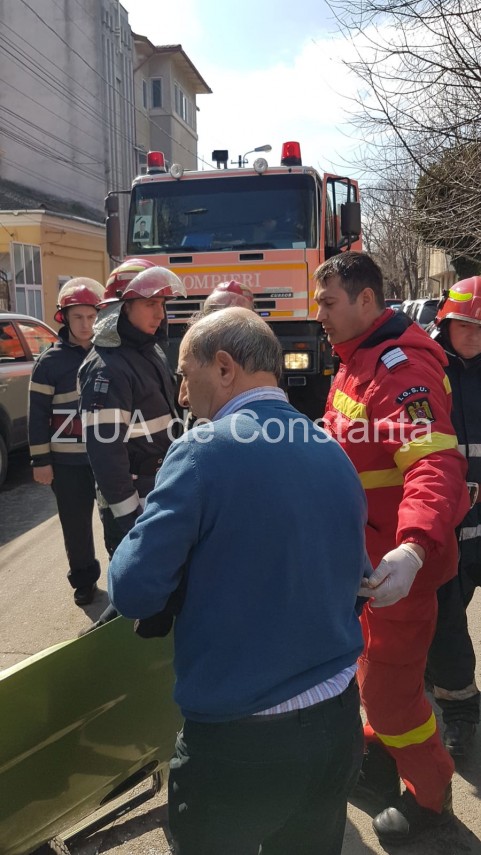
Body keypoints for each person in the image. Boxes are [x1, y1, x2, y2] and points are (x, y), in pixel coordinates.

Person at [108, 307, 370, 855]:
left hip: (240, 741)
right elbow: (355, 574)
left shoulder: (202, 453)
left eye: (185, 374)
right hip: (337, 722)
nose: (181, 395)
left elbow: (132, 588)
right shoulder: (332, 451)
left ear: (224, 368)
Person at [315, 251, 469, 843]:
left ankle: (430, 796)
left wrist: (412, 547)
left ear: (368, 301)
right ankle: (380, 751)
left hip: (396, 569)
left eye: (329, 303)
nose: (319, 314)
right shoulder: (357, 360)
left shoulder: (399, 368)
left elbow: (432, 465)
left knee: (391, 693)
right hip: (367, 567)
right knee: (370, 673)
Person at [77, 259, 186, 629]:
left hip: (158, 492)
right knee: (133, 599)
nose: (160, 312)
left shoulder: (148, 351)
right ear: (122, 308)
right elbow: (106, 457)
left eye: (163, 304)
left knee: (160, 594)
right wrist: (130, 523)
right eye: (150, 304)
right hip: (135, 504)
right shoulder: (106, 369)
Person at [426, 279, 481, 757]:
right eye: (465, 324)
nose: (474, 335)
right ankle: (460, 715)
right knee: (447, 626)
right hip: (447, 525)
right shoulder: (425, 368)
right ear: (446, 322)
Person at [28, 277, 105, 605]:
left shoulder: (108, 354)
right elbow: (37, 415)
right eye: (78, 317)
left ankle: (126, 578)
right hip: (66, 462)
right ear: (64, 318)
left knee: (119, 520)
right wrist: (41, 461)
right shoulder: (49, 363)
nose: (86, 324)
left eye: (91, 317)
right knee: (76, 526)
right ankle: (84, 582)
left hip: (107, 458)